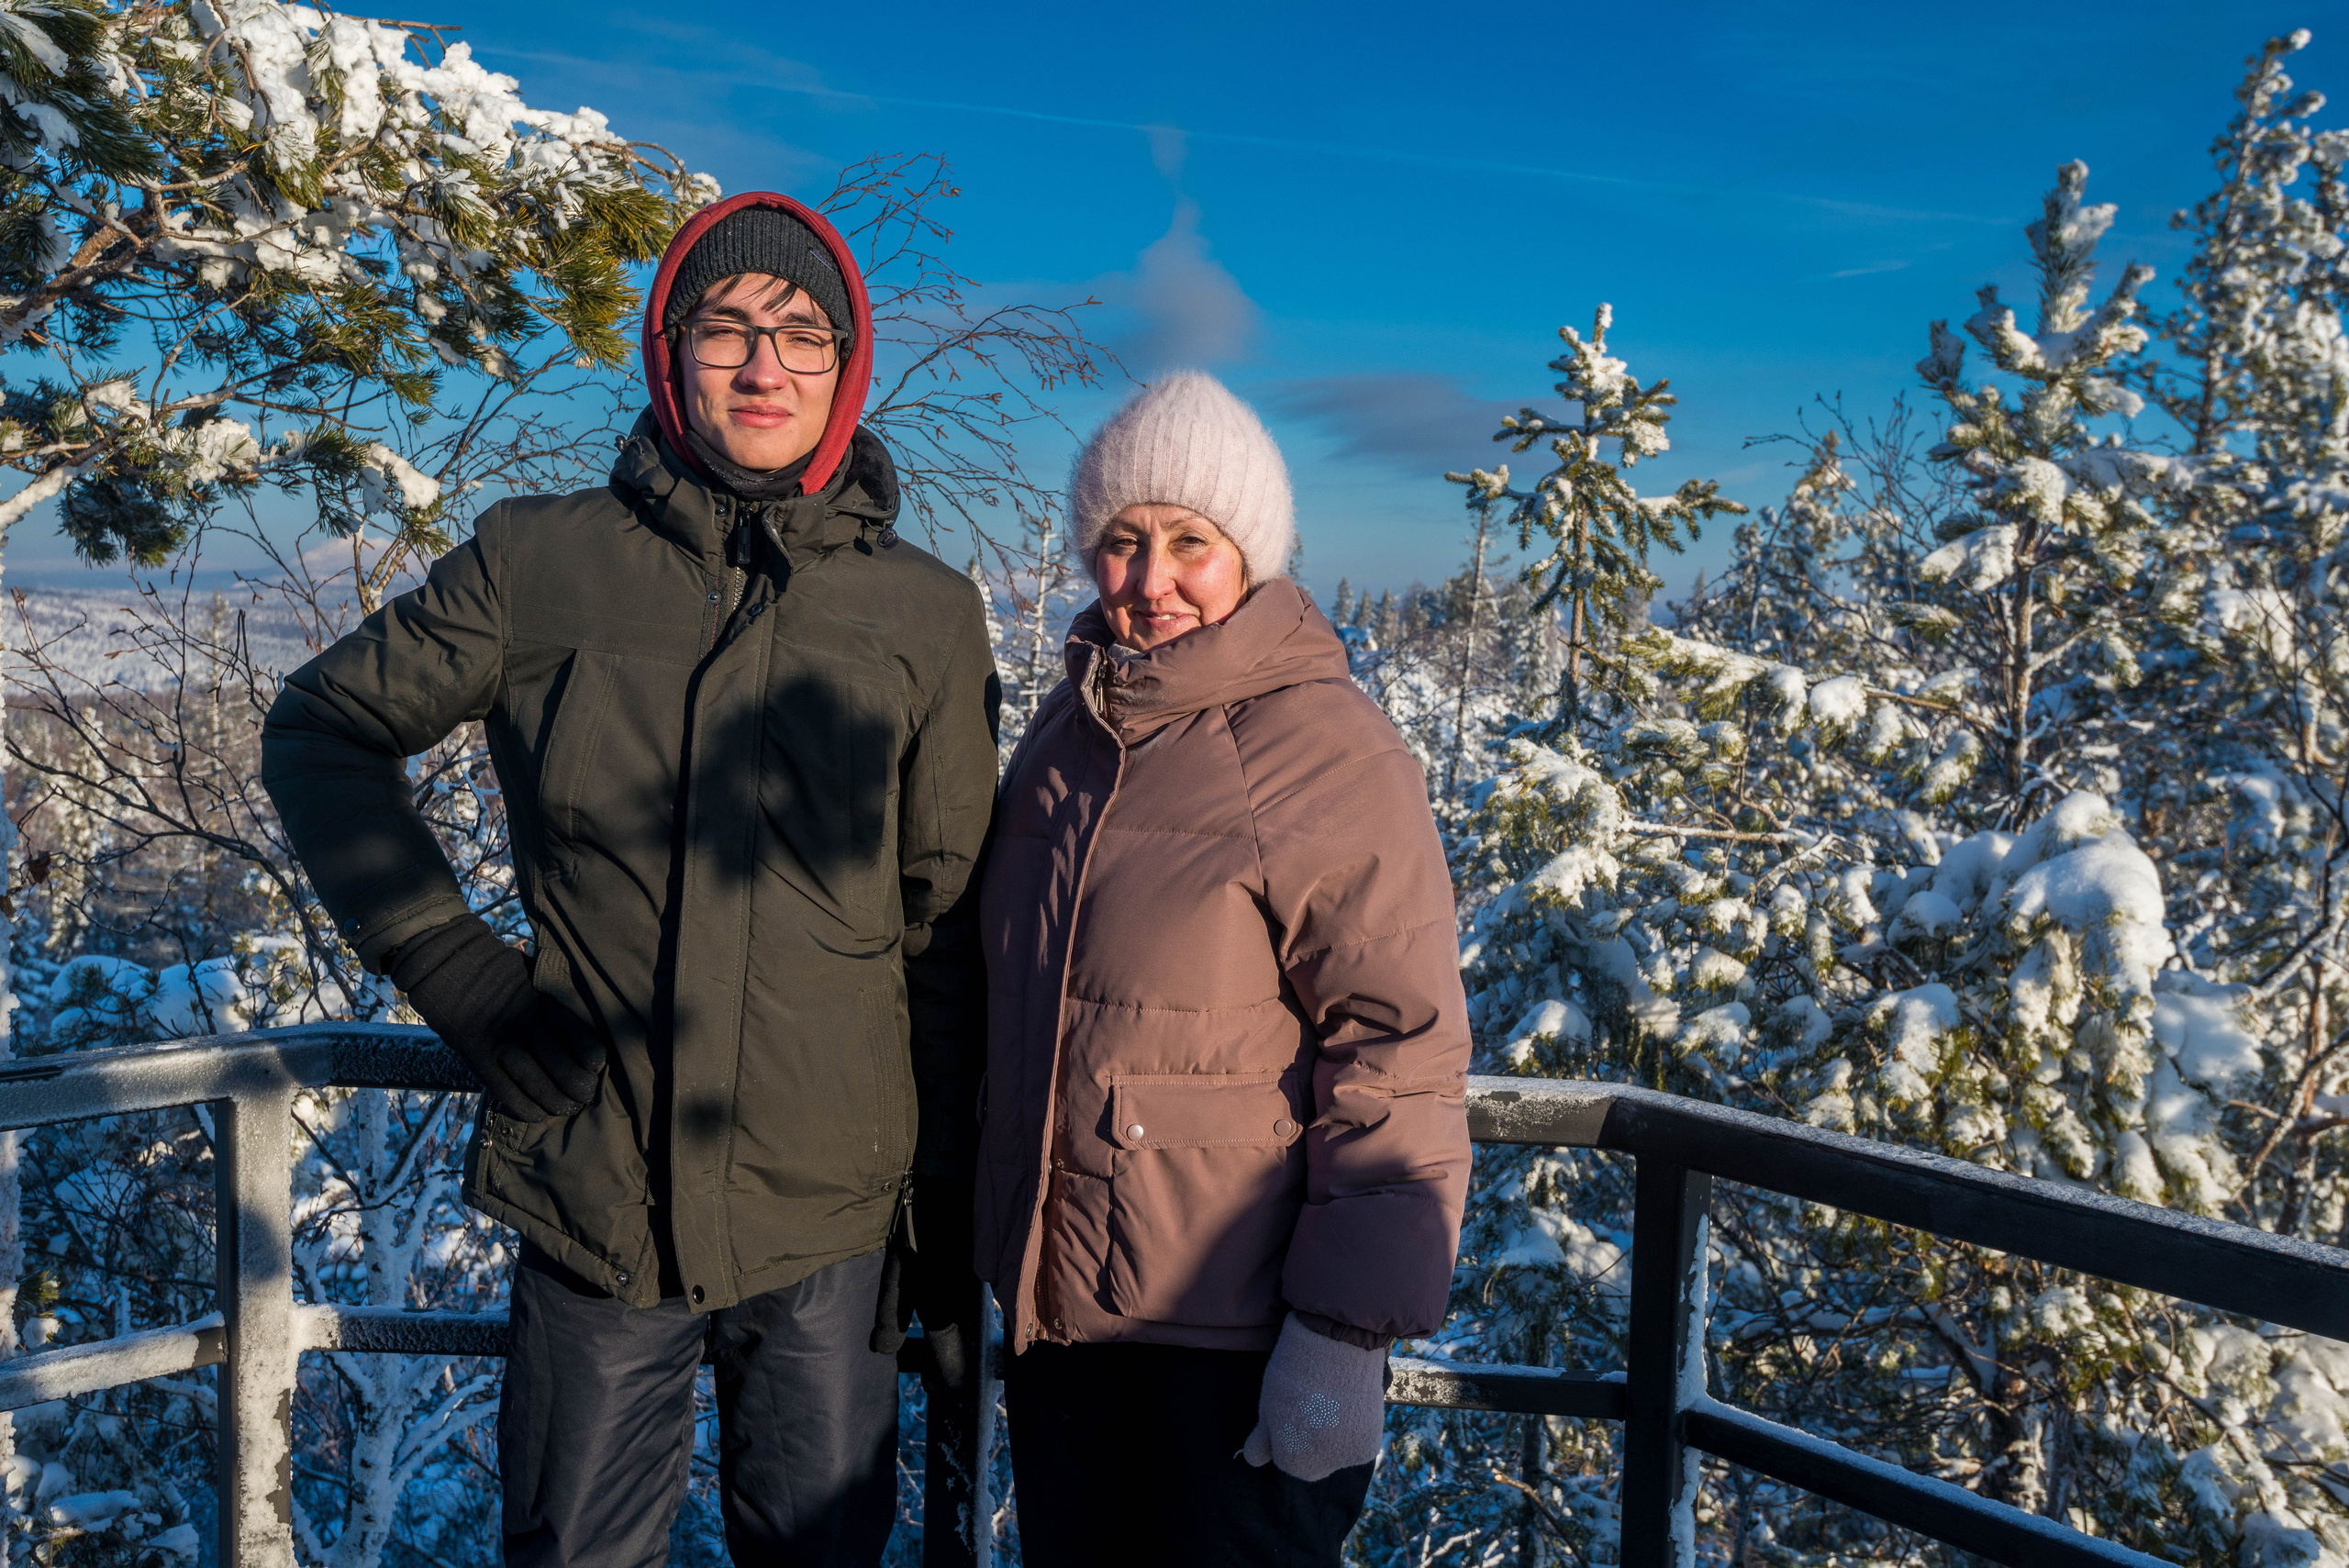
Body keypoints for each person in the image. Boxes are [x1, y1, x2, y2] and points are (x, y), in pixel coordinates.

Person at [262, 192, 999, 1568]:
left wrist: (949, 1206)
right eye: (727, 328)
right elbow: (320, 728)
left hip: (833, 1221)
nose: (765, 364)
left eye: (801, 335)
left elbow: (942, 926)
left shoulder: (923, 613)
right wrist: (456, 967)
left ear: (848, 370)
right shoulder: (543, 562)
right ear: (672, 352)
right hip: (597, 1201)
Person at [974, 372, 1473, 1566]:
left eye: (1189, 541)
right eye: (1122, 542)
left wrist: (1343, 1335)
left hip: (1231, 1343)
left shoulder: (1324, 747)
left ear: (1249, 551)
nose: (1151, 582)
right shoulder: (1068, 734)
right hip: (1066, 1328)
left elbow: (1399, 1045)